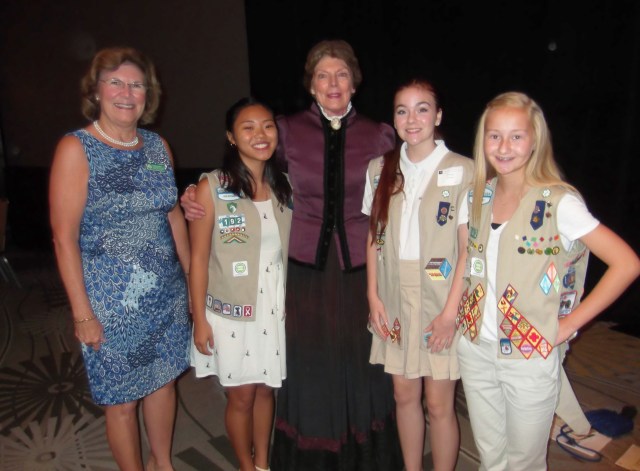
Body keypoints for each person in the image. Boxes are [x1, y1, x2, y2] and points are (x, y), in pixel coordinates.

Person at [182, 39, 403, 470]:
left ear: (354, 83)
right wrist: (197, 189)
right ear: (312, 85)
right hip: (303, 272)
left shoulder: (378, 135)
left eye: (341, 74)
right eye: (323, 75)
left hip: (361, 272)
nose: (332, 82)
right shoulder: (287, 129)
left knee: (360, 364)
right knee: (311, 366)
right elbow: (249, 166)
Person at [456, 91, 640, 470]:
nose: (504, 146)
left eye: (516, 136)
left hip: (528, 355)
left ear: (535, 140)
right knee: (491, 457)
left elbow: (626, 263)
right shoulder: (476, 198)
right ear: (482, 140)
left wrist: (568, 325)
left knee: (525, 462)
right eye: (494, 135)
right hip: (475, 348)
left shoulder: (558, 203)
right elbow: (467, 263)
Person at [49, 47, 191, 471]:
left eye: (137, 85)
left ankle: (161, 462)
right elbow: (63, 238)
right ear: (96, 91)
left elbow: (173, 215)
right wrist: (82, 314)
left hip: (165, 294)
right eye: (116, 82)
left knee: (164, 384)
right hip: (112, 305)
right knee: (123, 400)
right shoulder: (76, 148)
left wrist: (189, 280)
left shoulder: (156, 146)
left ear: (149, 94)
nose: (127, 93)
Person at [363, 79, 472, 471]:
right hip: (393, 295)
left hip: (441, 298)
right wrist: (373, 297)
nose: (412, 119)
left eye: (422, 108)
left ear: (438, 115)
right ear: (393, 118)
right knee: (403, 395)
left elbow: (468, 249)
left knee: (439, 403)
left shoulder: (464, 170)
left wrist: (450, 313)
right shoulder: (379, 169)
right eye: (402, 110)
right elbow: (373, 238)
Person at [188, 97, 292, 471]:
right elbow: (198, 259)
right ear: (231, 137)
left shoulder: (285, 187)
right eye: (248, 127)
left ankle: (263, 464)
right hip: (231, 312)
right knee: (242, 398)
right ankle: (245, 467)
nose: (260, 134)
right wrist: (198, 318)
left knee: (267, 390)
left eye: (267, 125)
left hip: (273, 307)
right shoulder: (213, 187)